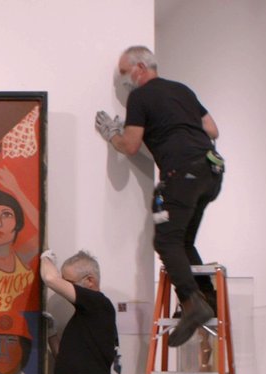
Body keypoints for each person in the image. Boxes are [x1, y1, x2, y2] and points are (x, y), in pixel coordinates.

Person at [96, 45, 224, 346]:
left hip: (182, 175)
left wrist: (111, 134)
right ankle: (207, 298)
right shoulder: (183, 90)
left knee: (165, 241)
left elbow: (129, 145)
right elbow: (212, 129)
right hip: (211, 172)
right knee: (182, 241)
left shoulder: (140, 95)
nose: (125, 81)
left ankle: (193, 303)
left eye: (125, 74)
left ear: (140, 67)